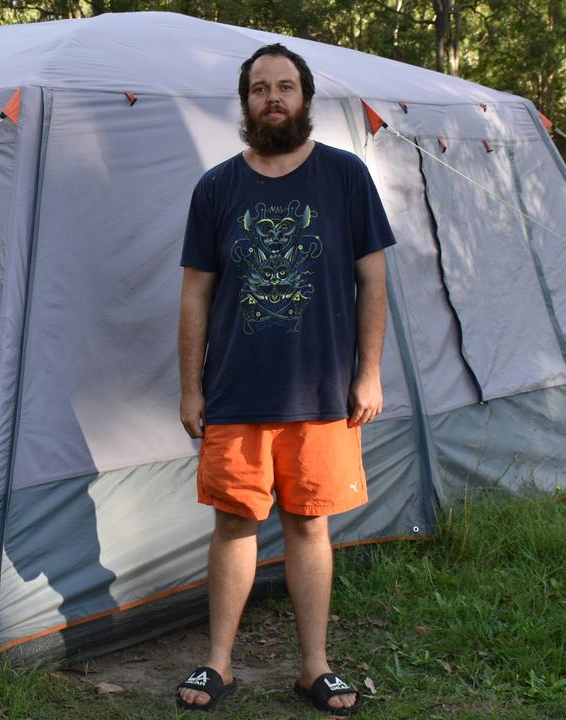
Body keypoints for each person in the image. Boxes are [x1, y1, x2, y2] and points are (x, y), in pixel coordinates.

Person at [175, 42, 396, 715]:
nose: (273, 98)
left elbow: (373, 279)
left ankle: (314, 667)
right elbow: (194, 297)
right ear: (245, 103)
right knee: (235, 526)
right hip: (237, 388)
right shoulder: (216, 187)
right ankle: (218, 664)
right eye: (260, 89)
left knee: (309, 526)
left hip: (323, 393)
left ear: (305, 99)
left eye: (285, 87)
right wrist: (191, 387)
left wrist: (370, 372)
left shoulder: (345, 176)